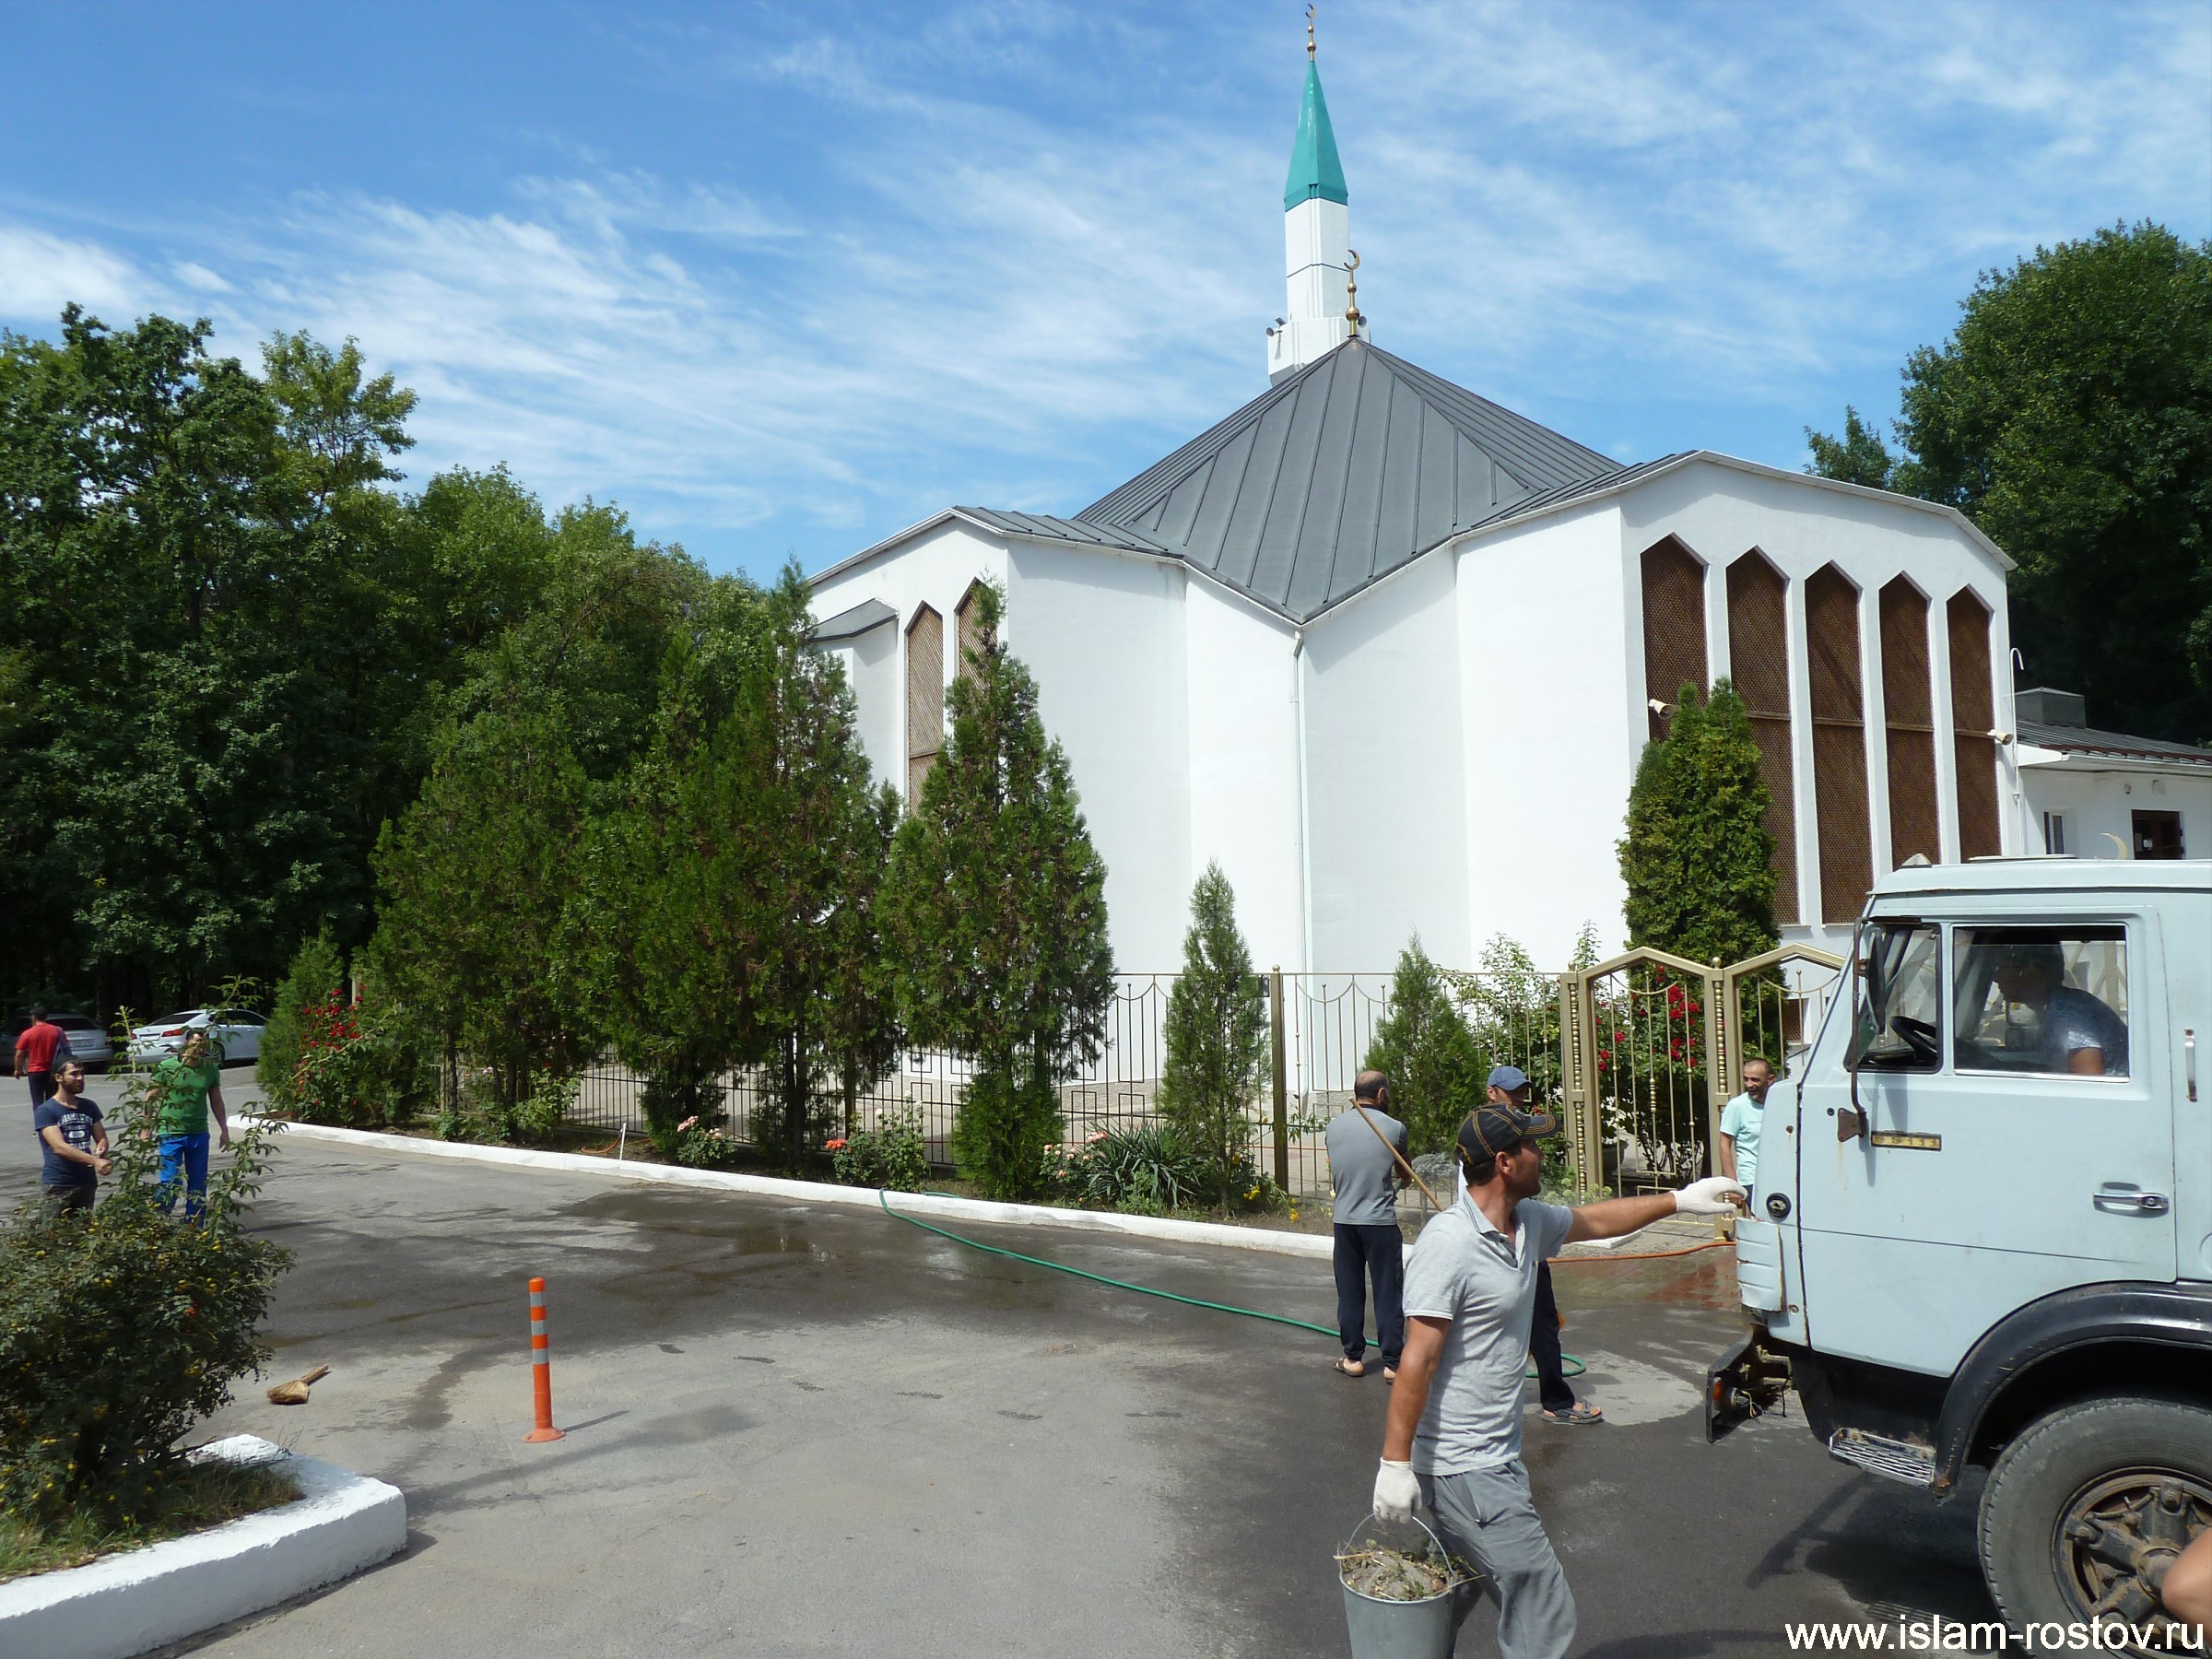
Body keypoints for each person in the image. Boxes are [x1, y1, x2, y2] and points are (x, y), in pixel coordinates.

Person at [1374, 1099, 1744, 1659]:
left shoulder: (1527, 1223)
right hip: (1465, 1465)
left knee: (1448, 1593)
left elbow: (1597, 1221)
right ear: (1504, 1162)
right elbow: (1417, 1361)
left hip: (1496, 1456)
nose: (1540, 1153)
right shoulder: (1448, 1244)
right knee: (1540, 1605)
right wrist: (1395, 1464)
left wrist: (1681, 1200)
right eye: (1530, 1145)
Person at [1476, 1065, 1598, 1427]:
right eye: (1511, 1091)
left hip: (1523, 1241)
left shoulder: (1518, 1128)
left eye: (1521, 1090)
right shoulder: (1483, 1134)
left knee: (1543, 1322)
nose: (1519, 1097)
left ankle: (1556, 1400)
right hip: (1492, 1245)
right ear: (1491, 1092)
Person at [1324, 1070, 1409, 1380]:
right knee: (1388, 1291)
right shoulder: (1395, 1129)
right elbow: (1404, 1171)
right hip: (1380, 1223)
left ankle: (1353, 1358)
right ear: (1381, 1094)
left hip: (1344, 1222)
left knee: (1349, 1290)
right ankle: (1393, 1364)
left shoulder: (1332, 1128)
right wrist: (1399, 1183)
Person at [1991, 941, 2127, 1077]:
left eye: (2002, 967)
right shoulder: (2059, 1005)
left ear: (2030, 971)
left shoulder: (2067, 1014)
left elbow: (2089, 1079)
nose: (1996, 978)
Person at [152, 1030, 229, 1218]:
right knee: (170, 1182)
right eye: (196, 1043)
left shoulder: (210, 1069)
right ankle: (158, 1222)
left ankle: (194, 1226)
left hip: (198, 1134)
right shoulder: (167, 1067)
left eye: (204, 1045)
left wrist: (224, 1129)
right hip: (170, 1133)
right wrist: (145, 1127)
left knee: (198, 1183)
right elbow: (151, 1096)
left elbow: (216, 1101)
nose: (200, 1048)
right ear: (186, 1043)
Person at [35, 1059, 110, 1213]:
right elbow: (59, 1147)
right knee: (53, 1227)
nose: (80, 1078)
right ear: (58, 1078)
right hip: (59, 1183)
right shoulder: (46, 1110)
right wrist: (95, 1161)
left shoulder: (89, 1106)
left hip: (86, 1182)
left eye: (82, 1073)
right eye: (74, 1074)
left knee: (83, 1225)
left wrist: (101, 1150)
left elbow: (101, 1137)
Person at [1717, 1057, 1777, 1196]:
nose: (1749, 1084)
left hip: (1779, 1177)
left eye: (1755, 1080)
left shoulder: (1781, 1104)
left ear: (1770, 1080)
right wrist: (1733, 1186)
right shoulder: (1737, 1106)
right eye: (1746, 1079)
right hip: (1752, 1179)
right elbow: (1724, 1145)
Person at [14, 1006, 68, 1107]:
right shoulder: (57, 1031)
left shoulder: (28, 1033)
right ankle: (52, 1117)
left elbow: (19, 1054)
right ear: (46, 1017)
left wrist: (18, 1069)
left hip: (35, 1071)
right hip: (54, 1070)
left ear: (34, 1017)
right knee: (53, 1100)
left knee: (37, 1101)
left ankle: (41, 1117)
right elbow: (66, 1047)